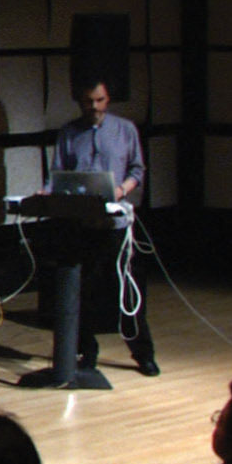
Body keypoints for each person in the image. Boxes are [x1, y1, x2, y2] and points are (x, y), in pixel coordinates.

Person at [52, 80, 158, 376]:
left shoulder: (125, 130)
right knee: (81, 290)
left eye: (99, 100)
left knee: (126, 290)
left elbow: (137, 169)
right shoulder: (69, 133)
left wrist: (122, 190)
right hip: (82, 225)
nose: (94, 107)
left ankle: (143, 352)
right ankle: (87, 350)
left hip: (116, 226)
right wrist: (48, 193)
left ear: (108, 99)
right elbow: (58, 174)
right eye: (89, 102)